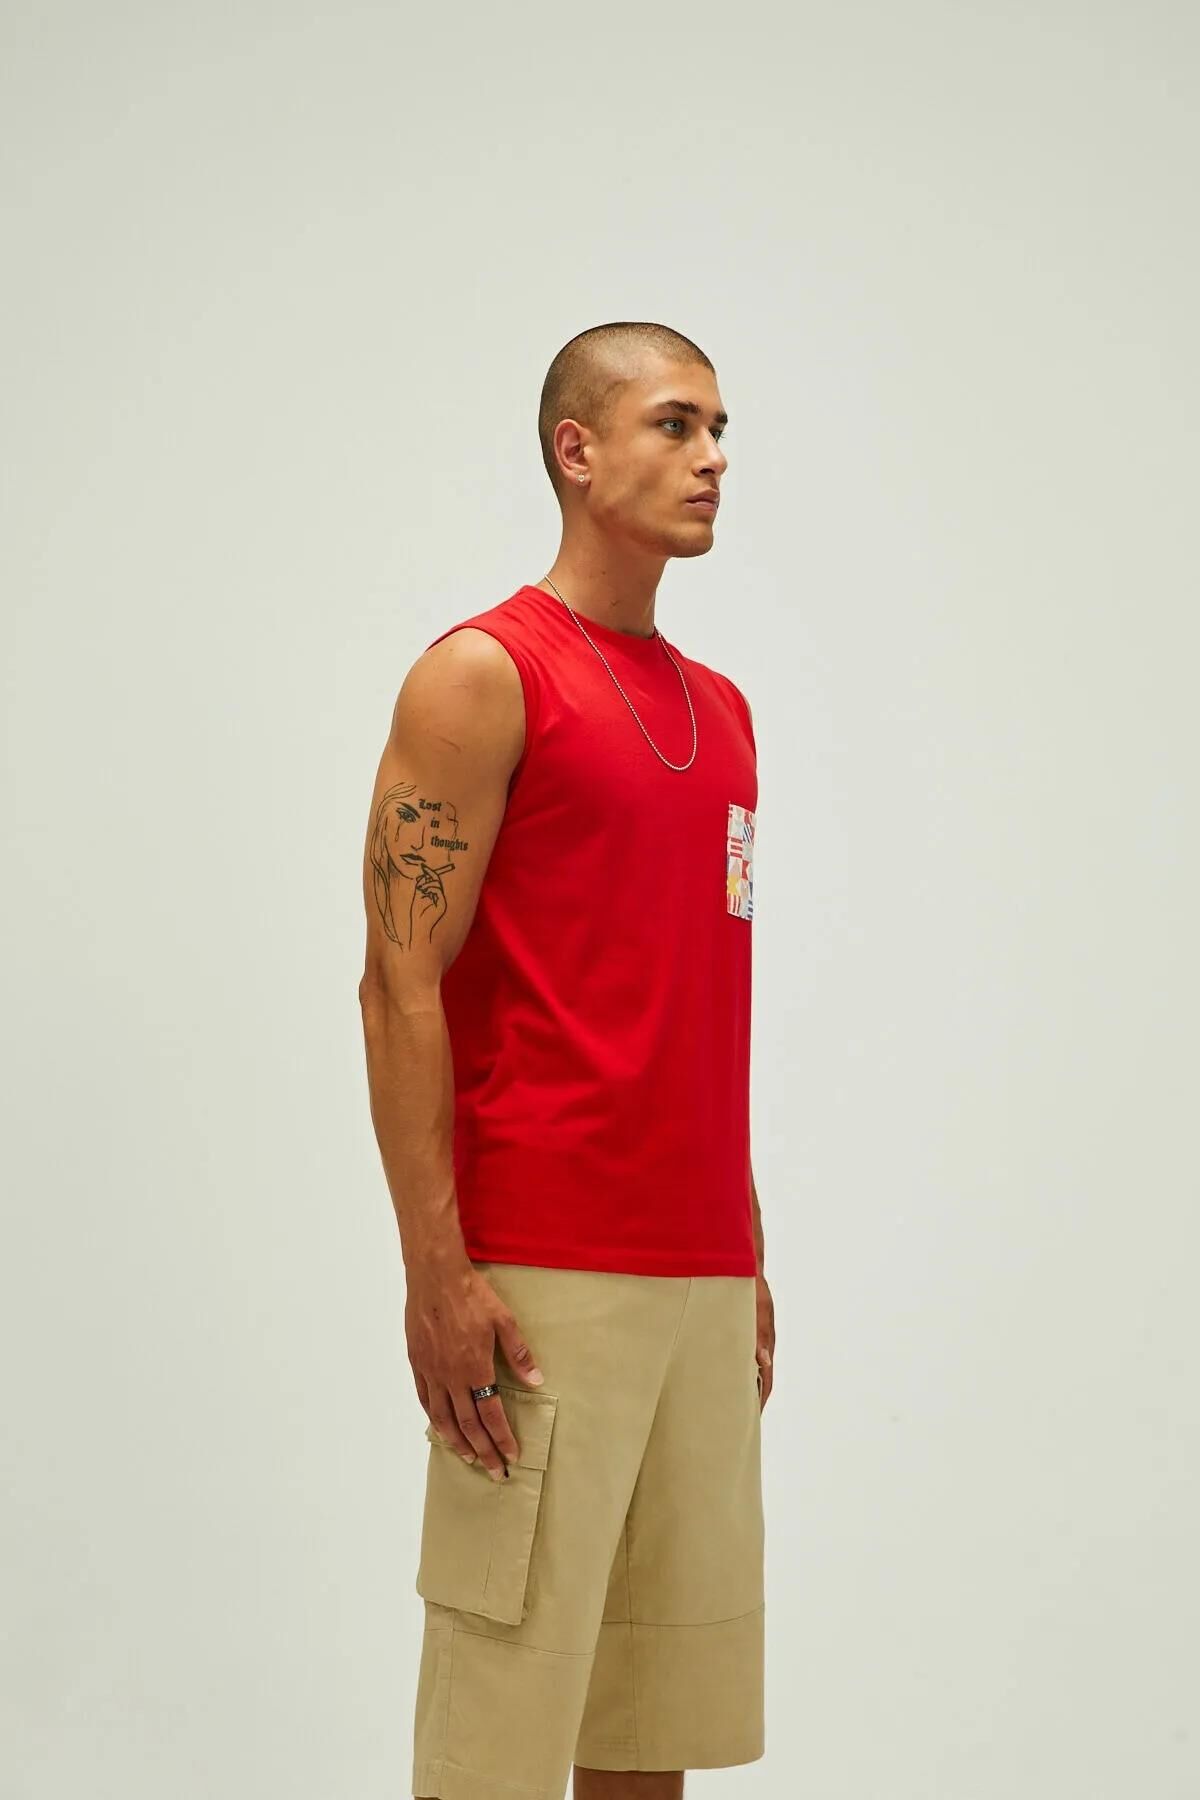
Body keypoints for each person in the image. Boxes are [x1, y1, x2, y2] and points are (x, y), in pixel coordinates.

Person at [357, 320, 775, 1800]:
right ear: (576, 449)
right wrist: (436, 1271)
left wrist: (746, 1250)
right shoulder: (484, 676)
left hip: (700, 1279)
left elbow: (691, 998)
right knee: (500, 1743)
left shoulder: (722, 715)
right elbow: (398, 983)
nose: (712, 457)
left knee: (648, 1735)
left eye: (721, 430)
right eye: (676, 423)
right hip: (542, 1278)